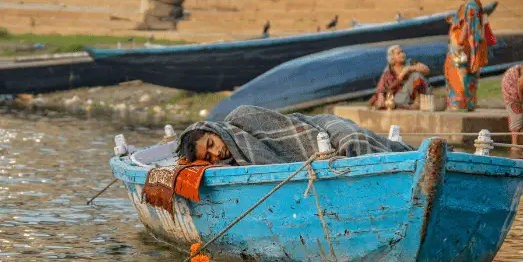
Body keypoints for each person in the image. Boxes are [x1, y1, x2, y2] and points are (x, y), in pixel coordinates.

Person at [176, 105, 413, 166]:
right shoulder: (232, 164)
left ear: (214, 131)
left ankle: (409, 158)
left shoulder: (241, 116)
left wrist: (320, 147)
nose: (216, 152)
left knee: (353, 141)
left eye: (211, 144)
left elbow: (291, 128)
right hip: (314, 155)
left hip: (320, 128)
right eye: (208, 157)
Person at [444, 0, 488, 111]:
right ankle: (467, 103)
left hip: (463, 46)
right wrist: (455, 20)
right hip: (466, 46)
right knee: (465, 73)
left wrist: (460, 43)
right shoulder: (474, 4)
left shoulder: (471, 6)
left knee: (459, 72)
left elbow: (468, 26)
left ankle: (460, 102)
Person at [370, 45, 431, 110]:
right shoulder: (389, 69)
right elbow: (381, 87)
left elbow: (427, 69)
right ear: (392, 58)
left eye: (402, 52)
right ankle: (403, 106)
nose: (402, 54)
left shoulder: (410, 62)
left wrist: (409, 68)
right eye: (398, 53)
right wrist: (380, 96)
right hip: (402, 95)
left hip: (416, 94)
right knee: (392, 102)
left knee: (416, 75)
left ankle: (417, 103)